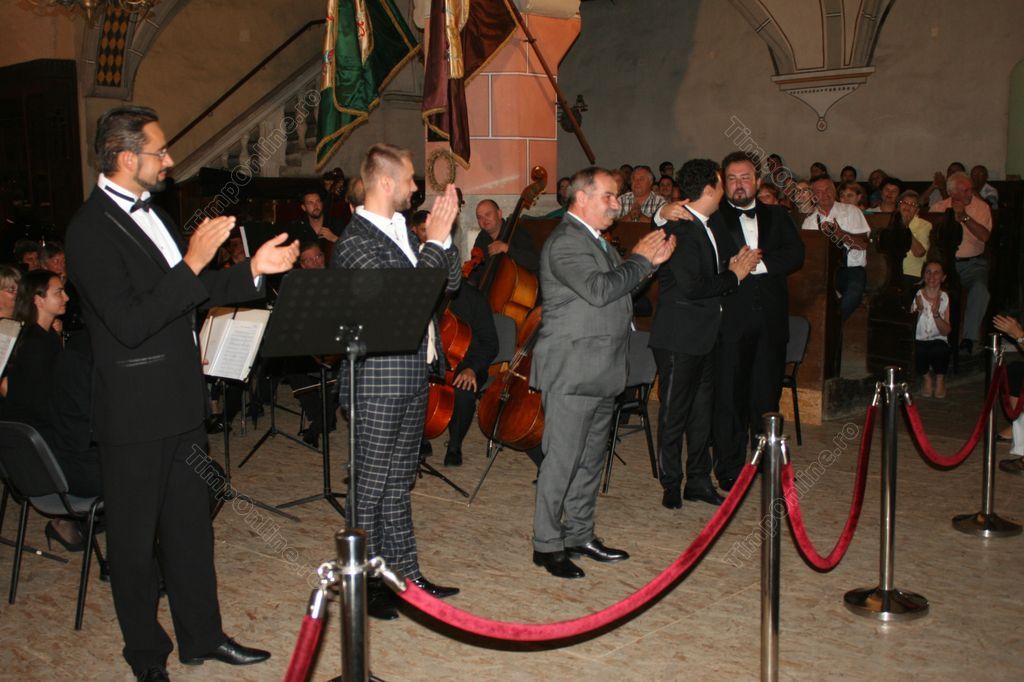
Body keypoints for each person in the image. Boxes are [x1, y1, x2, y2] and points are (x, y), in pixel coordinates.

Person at [65, 105, 298, 681]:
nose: (169, 160)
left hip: (181, 403)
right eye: (159, 151)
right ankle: (146, 656)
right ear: (126, 158)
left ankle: (203, 636)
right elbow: (129, 322)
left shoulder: (158, 215)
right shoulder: (88, 231)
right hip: (133, 415)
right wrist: (192, 260)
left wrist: (253, 269)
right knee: (134, 546)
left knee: (191, 532)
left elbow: (194, 290)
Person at [330, 143, 462, 619]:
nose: (414, 186)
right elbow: (404, 303)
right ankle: (362, 584)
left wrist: (444, 243)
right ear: (385, 182)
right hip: (376, 379)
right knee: (368, 487)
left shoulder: (403, 229)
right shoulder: (355, 243)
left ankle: (404, 574)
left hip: (411, 372)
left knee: (398, 482)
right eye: (409, 178)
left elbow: (449, 285)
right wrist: (434, 245)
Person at [531, 166, 675, 579]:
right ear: (581, 199)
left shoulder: (597, 240)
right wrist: (639, 259)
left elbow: (620, 291)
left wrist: (648, 266)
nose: (617, 203)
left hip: (602, 368)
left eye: (617, 196)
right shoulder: (565, 241)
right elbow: (599, 290)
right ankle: (547, 544)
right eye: (609, 196)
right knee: (562, 460)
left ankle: (579, 533)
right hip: (572, 369)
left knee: (590, 460)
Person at [649, 159, 759, 510]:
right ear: (710, 188)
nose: (725, 189)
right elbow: (692, 287)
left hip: (706, 334)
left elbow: (725, 261)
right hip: (679, 337)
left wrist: (735, 267)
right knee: (674, 413)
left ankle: (698, 480)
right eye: (721, 183)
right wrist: (734, 276)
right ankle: (670, 482)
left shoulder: (710, 223)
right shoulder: (680, 229)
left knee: (701, 413)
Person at [711, 152, 804, 491]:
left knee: (766, 396)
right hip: (730, 323)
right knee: (729, 397)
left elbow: (796, 254)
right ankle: (729, 468)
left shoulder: (778, 215)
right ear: (724, 183)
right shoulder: (713, 218)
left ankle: (766, 462)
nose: (739, 184)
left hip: (770, 324)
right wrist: (731, 268)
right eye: (732, 178)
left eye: (745, 177)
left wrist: (757, 265)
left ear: (758, 181)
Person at [0, 270, 92, 549]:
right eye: (58, 292)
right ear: (38, 300)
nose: (66, 297)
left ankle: (73, 525)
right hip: (50, 458)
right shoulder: (40, 346)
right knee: (129, 469)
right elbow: (53, 407)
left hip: (29, 461)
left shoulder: (28, 337)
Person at [930, 171, 992, 353]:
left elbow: (985, 236)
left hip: (972, 264)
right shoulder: (939, 207)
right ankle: (932, 338)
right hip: (944, 264)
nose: (970, 193)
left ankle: (969, 338)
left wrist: (965, 217)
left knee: (980, 289)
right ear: (952, 192)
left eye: (970, 189)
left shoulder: (981, 207)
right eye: (965, 190)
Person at [802, 174, 872, 321]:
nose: (824, 194)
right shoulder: (809, 221)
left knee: (854, 291)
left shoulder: (852, 211)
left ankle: (833, 324)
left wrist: (841, 234)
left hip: (850, 270)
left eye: (828, 189)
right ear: (813, 196)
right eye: (819, 192)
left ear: (834, 191)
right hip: (821, 271)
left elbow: (863, 244)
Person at [467, 199, 540, 286]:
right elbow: (477, 270)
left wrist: (506, 248)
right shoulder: (482, 237)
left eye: (488, 214)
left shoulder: (516, 232)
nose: (484, 220)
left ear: (499, 214)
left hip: (520, 289)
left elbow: (535, 262)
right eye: (479, 217)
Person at [911, 261, 952, 398]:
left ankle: (940, 379)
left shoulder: (944, 297)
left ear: (943, 277)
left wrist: (936, 315)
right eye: (928, 272)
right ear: (923, 275)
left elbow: (946, 331)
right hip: (919, 338)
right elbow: (910, 325)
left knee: (940, 349)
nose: (931, 276)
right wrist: (919, 310)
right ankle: (927, 378)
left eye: (936, 273)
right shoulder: (917, 295)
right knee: (918, 350)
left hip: (937, 338)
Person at [898, 190, 931, 303]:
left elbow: (919, 252)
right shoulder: (889, 222)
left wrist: (905, 227)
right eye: (904, 203)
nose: (907, 207)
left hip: (912, 273)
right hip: (889, 271)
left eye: (912, 204)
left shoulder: (924, 225)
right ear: (898, 206)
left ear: (917, 210)